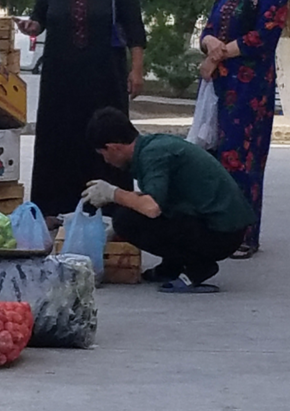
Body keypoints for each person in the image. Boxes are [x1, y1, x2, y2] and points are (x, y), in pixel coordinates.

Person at [17, 0, 147, 226]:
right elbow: (40, 19)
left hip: (105, 75)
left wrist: (137, 70)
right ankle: (51, 209)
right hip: (61, 78)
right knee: (58, 138)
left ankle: (113, 208)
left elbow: (135, 28)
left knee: (107, 137)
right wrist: (31, 27)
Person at [81, 107, 256, 293]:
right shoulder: (153, 146)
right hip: (219, 225)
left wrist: (113, 193)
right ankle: (172, 267)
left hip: (222, 234)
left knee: (126, 220)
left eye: (104, 154)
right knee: (136, 214)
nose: (106, 161)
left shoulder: (153, 156)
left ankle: (198, 267)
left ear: (114, 147)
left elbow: (151, 208)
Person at [198, 0, 289, 260]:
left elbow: (264, 36)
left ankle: (245, 233)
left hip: (251, 88)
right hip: (221, 82)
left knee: (243, 158)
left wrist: (221, 51)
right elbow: (208, 28)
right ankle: (220, 228)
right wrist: (211, 46)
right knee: (217, 156)